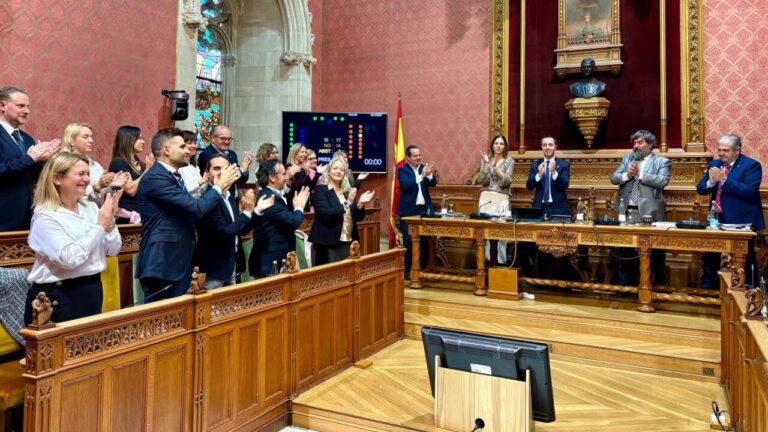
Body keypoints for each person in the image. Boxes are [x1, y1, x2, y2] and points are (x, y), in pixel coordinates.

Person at [136, 128, 239, 301]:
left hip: (179, 262)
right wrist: (219, 187)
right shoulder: (156, 178)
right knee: (164, 316)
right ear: (167, 149)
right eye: (182, 146)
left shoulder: (174, 176)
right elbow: (196, 208)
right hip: (163, 263)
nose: (188, 150)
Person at [23, 152, 122, 324]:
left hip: (91, 289)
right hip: (57, 296)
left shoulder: (91, 208)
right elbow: (69, 259)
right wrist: (100, 227)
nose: (87, 179)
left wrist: (110, 222)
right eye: (80, 174)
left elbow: (113, 250)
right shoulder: (45, 217)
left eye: (88, 174)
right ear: (57, 178)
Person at [195, 155, 274, 288]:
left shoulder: (229, 196)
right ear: (207, 174)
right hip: (214, 271)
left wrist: (256, 210)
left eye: (226, 169)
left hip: (231, 265)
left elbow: (240, 230)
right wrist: (247, 212)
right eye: (216, 168)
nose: (222, 173)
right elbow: (225, 233)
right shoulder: (208, 199)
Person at [696, 133, 765, 288]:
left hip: (741, 220)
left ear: (737, 150)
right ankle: (711, 291)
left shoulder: (751, 165)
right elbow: (700, 189)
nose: (721, 153)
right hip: (716, 219)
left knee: (744, 259)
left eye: (725, 150)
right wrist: (710, 182)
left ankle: (748, 293)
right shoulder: (714, 164)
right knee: (711, 257)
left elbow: (749, 191)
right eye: (719, 150)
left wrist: (725, 180)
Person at [610, 130, 671, 286]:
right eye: (634, 143)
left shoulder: (662, 162)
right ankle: (626, 286)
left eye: (640, 142)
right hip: (626, 211)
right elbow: (614, 178)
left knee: (653, 253)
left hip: (650, 213)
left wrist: (641, 174)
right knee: (625, 252)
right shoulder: (627, 159)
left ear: (650, 144)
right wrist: (628, 175)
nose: (636, 146)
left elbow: (662, 181)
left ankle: (653, 287)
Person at [0, 86, 61, 231]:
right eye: (20, 106)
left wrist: (42, 161)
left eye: (28, 107)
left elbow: (31, 176)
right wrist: (29, 158)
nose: (27, 111)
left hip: (27, 217)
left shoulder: (27, 139)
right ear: (2, 105)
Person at [309, 152, 375, 265]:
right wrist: (347, 203)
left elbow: (358, 218)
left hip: (348, 241)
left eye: (341, 170)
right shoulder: (321, 190)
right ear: (328, 172)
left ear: (344, 174)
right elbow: (324, 214)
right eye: (335, 168)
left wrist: (360, 204)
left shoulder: (346, 191)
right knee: (330, 274)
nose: (338, 171)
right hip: (328, 243)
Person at [249, 160, 310, 278]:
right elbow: (293, 222)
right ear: (272, 177)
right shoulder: (269, 197)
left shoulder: (271, 194)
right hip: (270, 261)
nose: (286, 177)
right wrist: (299, 207)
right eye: (283, 174)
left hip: (275, 258)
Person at [62, 123, 130, 203]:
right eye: (85, 137)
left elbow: (99, 201)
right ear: (71, 141)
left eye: (91, 137)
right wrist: (95, 187)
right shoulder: (63, 164)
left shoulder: (96, 166)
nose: (91, 140)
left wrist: (111, 186)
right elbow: (68, 194)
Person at [397, 145, 437, 278]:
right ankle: (408, 271)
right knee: (408, 241)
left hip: (423, 210)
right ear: (408, 158)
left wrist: (429, 174)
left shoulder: (423, 168)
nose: (418, 158)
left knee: (424, 241)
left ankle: (422, 268)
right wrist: (421, 176)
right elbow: (406, 184)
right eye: (415, 156)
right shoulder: (402, 170)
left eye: (419, 155)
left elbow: (433, 184)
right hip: (409, 211)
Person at [477, 134, 514, 264]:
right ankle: (485, 260)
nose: (498, 146)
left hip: (501, 197)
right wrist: (487, 165)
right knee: (484, 230)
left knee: (501, 231)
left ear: (505, 146)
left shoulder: (509, 161)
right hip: (486, 197)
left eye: (501, 144)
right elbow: (482, 180)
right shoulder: (485, 160)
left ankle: (501, 262)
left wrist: (496, 169)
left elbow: (507, 181)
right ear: (492, 145)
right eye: (496, 143)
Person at [108, 125, 154, 223]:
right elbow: (131, 190)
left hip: (145, 213)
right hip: (127, 217)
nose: (143, 142)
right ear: (129, 140)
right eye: (140, 139)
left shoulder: (142, 164)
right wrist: (148, 170)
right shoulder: (118, 162)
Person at [197, 125, 252, 197]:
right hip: (218, 197)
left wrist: (245, 169)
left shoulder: (232, 154)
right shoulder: (206, 155)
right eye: (223, 139)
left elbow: (240, 181)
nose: (226, 142)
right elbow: (217, 180)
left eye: (229, 139)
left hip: (233, 197)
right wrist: (241, 169)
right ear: (213, 138)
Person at [525, 135, 571, 218]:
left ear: (555, 147)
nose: (547, 147)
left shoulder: (563, 165)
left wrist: (554, 173)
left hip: (558, 208)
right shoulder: (535, 165)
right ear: (541, 147)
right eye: (544, 145)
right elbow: (529, 186)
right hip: (540, 207)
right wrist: (539, 175)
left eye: (550, 145)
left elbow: (565, 185)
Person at [285, 143, 321, 211]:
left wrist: (316, 173)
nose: (304, 154)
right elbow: (295, 187)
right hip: (293, 205)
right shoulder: (289, 167)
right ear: (295, 153)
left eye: (305, 152)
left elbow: (310, 187)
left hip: (305, 204)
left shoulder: (303, 168)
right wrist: (307, 173)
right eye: (302, 152)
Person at [178, 130, 209, 198]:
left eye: (195, 143)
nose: (194, 146)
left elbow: (201, 191)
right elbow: (180, 191)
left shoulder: (195, 166)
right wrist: (200, 182)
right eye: (189, 143)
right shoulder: (178, 166)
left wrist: (207, 180)